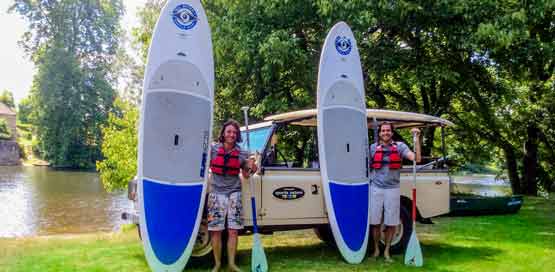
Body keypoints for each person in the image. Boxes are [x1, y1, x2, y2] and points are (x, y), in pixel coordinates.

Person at [208, 119, 257, 272]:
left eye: (235, 133)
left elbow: (247, 175)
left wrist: (251, 167)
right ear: (223, 133)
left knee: (233, 231)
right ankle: (216, 264)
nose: (232, 135)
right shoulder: (213, 149)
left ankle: (231, 264)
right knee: (216, 231)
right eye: (229, 132)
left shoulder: (242, 152)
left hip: (234, 193)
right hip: (216, 193)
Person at [369, 122, 420, 262]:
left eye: (388, 131)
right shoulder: (373, 148)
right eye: (383, 131)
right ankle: (376, 249)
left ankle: (387, 251)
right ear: (379, 133)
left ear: (392, 133)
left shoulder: (400, 147)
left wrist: (417, 139)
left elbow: (416, 158)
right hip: (376, 188)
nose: (385, 133)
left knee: (391, 223)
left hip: (392, 189)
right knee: (375, 222)